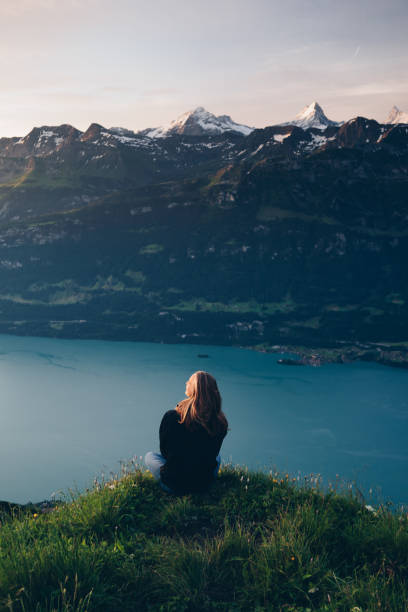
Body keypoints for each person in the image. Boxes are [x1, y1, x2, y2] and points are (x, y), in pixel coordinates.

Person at [145, 371, 228, 494]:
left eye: (189, 382)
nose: (186, 383)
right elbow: (213, 452)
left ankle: (174, 484)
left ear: (195, 388)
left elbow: (165, 452)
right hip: (203, 484)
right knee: (218, 457)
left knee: (150, 456)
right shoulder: (219, 422)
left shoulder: (173, 416)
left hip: (174, 484)